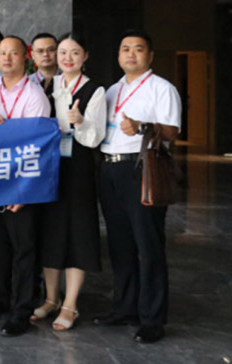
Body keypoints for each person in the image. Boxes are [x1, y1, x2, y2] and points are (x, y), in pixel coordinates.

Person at [94, 29, 180, 344]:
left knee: (148, 246)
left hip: (142, 168)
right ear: (118, 55)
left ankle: (152, 319)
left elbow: (171, 131)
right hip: (109, 168)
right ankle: (125, 308)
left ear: (150, 55)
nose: (131, 54)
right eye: (125, 48)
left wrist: (143, 126)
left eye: (138, 48)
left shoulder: (162, 88)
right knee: (120, 245)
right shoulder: (111, 90)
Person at [0, 36, 51, 337]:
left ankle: (21, 310)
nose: (6, 58)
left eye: (13, 53)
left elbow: (38, 146)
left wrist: (25, 190)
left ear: (26, 58)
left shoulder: (35, 95)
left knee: (23, 250)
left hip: (21, 183)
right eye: (2, 52)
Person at [33, 33, 106, 332]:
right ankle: (51, 298)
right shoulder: (46, 86)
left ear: (85, 56)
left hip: (78, 169)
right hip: (49, 167)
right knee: (50, 232)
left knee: (78, 233)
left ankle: (70, 303)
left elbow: (95, 138)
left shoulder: (94, 90)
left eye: (74, 53)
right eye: (63, 52)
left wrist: (79, 121)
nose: (67, 58)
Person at [30, 32, 59, 113]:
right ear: (32, 55)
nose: (46, 54)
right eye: (40, 51)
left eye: (51, 50)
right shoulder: (26, 83)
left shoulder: (68, 80)